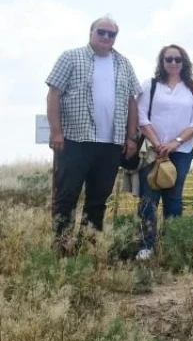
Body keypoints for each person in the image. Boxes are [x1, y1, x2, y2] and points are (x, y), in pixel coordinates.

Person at [46, 16, 142, 246]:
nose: (106, 37)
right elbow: (54, 95)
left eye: (112, 34)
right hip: (75, 140)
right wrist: (56, 132)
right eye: (102, 32)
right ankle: (62, 246)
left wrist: (131, 138)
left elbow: (132, 101)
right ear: (91, 33)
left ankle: (88, 246)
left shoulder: (123, 63)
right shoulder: (70, 57)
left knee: (98, 199)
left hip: (110, 144)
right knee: (66, 196)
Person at [136, 44, 193, 260]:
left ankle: (172, 243)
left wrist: (175, 142)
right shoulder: (151, 85)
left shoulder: (192, 88)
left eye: (177, 59)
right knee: (149, 197)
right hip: (153, 150)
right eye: (169, 59)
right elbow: (141, 117)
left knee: (174, 198)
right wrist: (157, 143)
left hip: (181, 151)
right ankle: (146, 245)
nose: (173, 63)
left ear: (184, 62)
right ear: (162, 62)